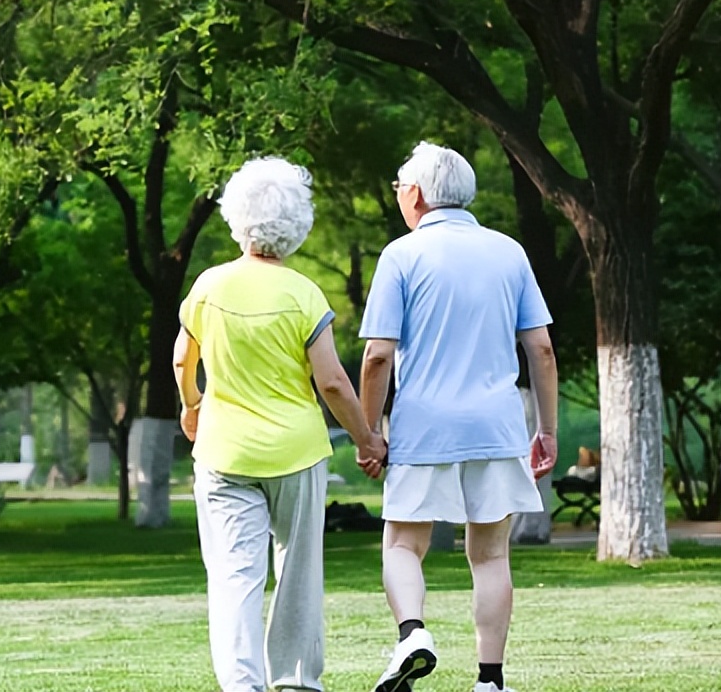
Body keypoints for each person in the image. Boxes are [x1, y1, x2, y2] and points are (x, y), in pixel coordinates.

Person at [357, 142, 558, 692]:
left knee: (403, 544)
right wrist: (546, 429)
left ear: (416, 194)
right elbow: (540, 348)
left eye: (400, 188)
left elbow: (377, 355)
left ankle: (412, 633)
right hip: (496, 428)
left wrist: (369, 433)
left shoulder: (401, 256)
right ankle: (490, 681)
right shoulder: (509, 252)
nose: (400, 197)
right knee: (491, 555)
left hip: (424, 428)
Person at [174, 157, 381, 692]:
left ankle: (243, 685)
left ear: (235, 217)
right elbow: (332, 382)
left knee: (234, 577)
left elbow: (182, 360)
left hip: (223, 453)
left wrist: (192, 405)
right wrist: (366, 439)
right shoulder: (303, 294)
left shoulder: (208, 286)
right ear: (298, 223)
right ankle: (294, 682)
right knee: (297, 574)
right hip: (295, 453)